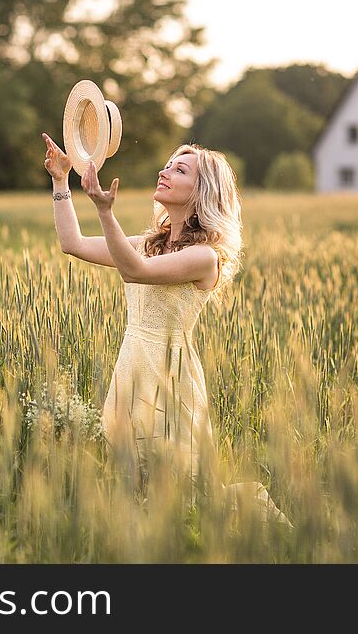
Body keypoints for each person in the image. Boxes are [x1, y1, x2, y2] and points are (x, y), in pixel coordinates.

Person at [41, 132, 292, 527]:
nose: (164, 171)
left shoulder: (204, 257)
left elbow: (134, 271)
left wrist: (106, 211)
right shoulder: (150, 245)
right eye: (168, 164)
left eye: (180, 169)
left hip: (171, 379)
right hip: (131, 370)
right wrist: (60, 181)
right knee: (133, 488)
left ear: (201, 192)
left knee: (185, 495)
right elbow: (72, 243)